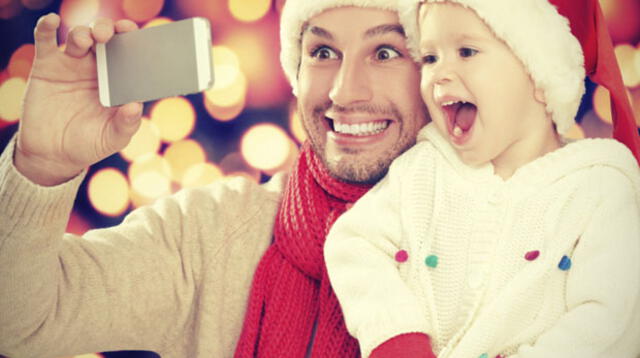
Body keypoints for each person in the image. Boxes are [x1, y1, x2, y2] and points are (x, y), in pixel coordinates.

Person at [0, 0, 429, 357]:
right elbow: (19, 322)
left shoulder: (490, 234)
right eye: (321, 52)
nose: (343, 91)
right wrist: (41, 164)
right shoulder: (212, 232)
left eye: (386, 52)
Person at [325, 0, 640, 357]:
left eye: (466, 51)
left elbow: (608, 319)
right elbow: (353, 242)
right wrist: (396, 335)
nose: (440, 73)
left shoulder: (598, 188)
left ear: (539, 75)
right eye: (430, 58)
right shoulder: (425, 167)